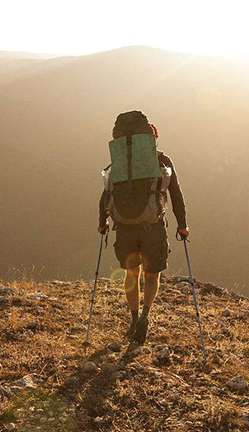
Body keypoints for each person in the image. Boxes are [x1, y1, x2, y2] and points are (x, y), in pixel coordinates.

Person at [98, 112, 189, 345]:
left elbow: (107, 191)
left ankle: (133, 318)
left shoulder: (118, 163)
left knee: (131, 275)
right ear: (151, 139)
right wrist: (182, 225)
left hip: (125, 228)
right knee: (151, 275)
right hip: (153, 227)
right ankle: (145, 316)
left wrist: (102, 222)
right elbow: (175, 193)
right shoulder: (161, 161)